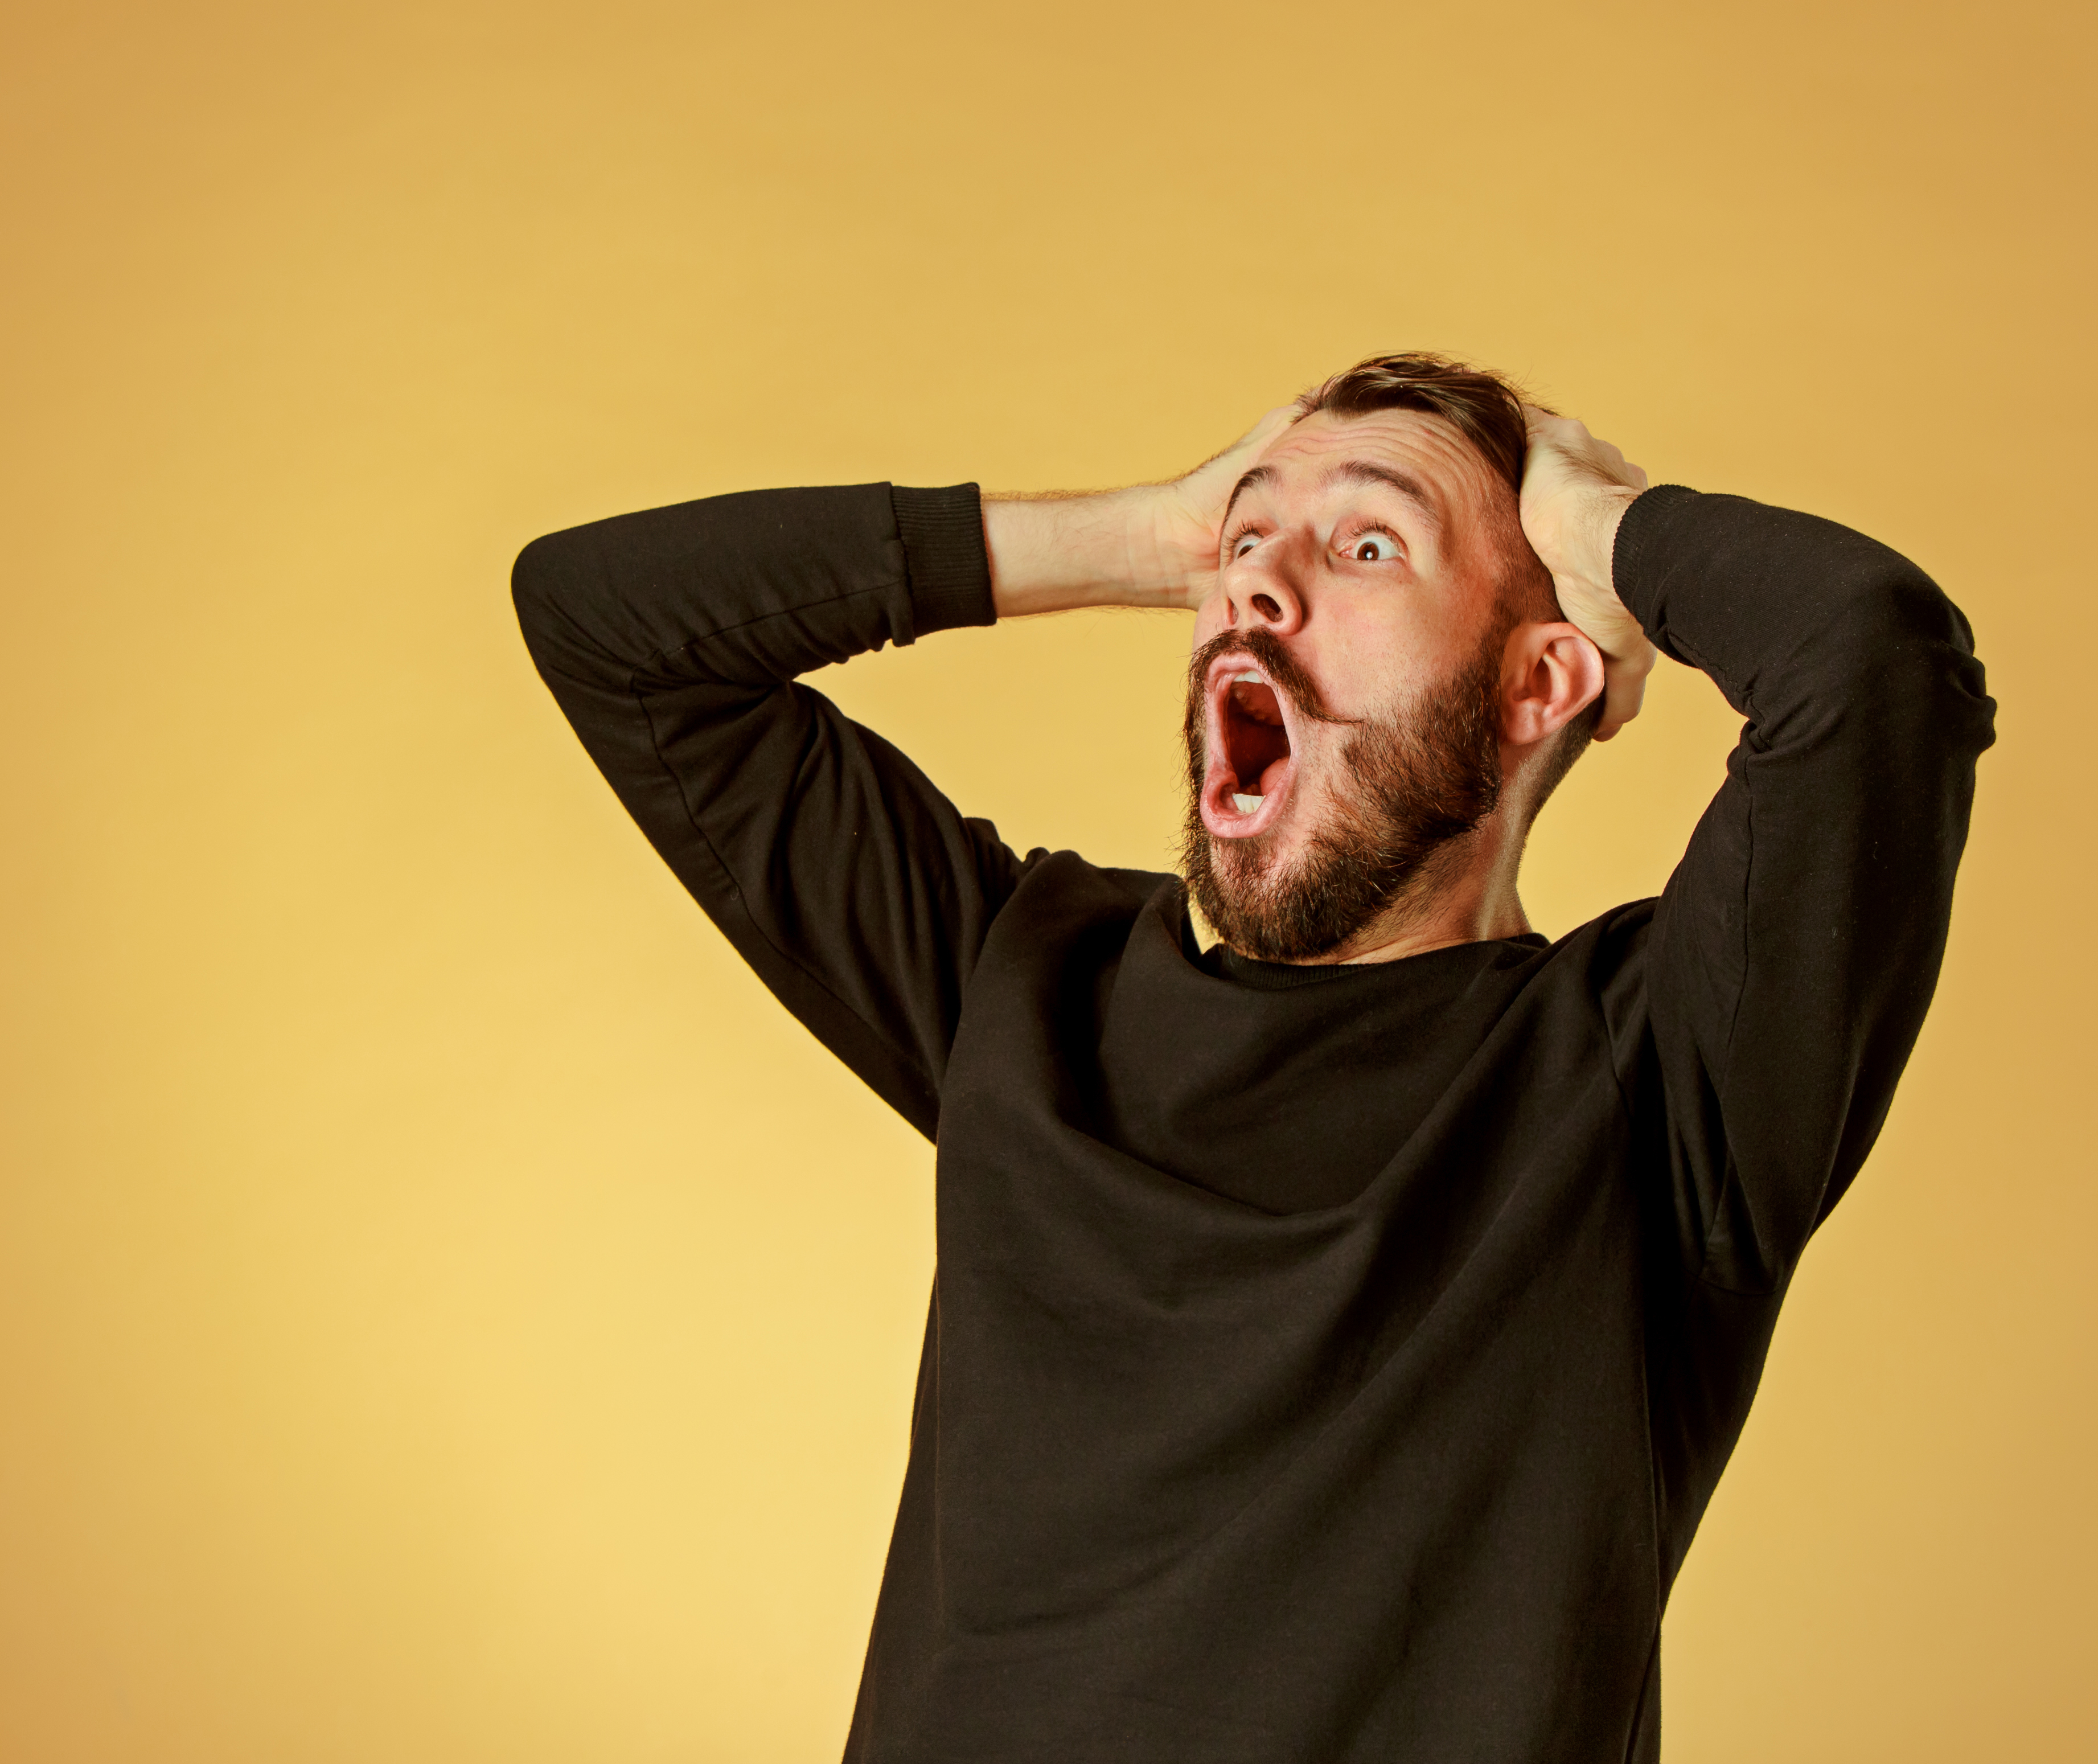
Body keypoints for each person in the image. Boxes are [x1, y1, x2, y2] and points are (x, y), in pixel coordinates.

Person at [512, 353, 1995, 1763]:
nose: (1258, 586)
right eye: (1246, 540)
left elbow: (1871, 656)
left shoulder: (1649, 1086)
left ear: (1539, 685)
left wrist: (1585, 520)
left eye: (1367, 550)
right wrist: (1155, 533)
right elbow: (610, 621)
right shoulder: (1025, 984)